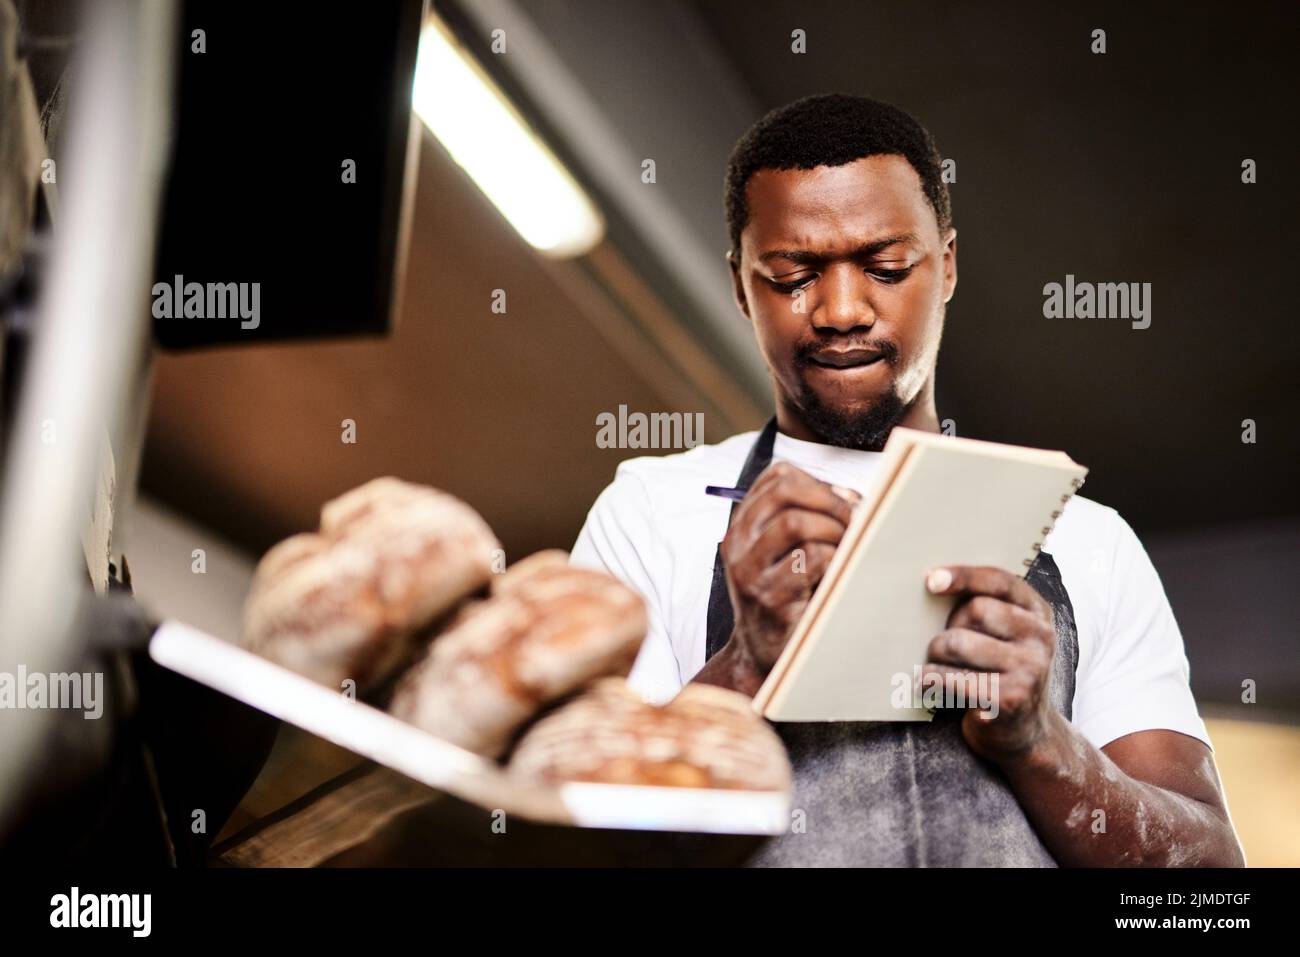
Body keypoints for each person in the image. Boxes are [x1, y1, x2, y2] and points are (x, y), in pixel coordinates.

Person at [571, 94, 1244, 867]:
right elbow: (585, 843)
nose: (841, 309)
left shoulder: (1091, 539)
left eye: (886, 267)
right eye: (793, 274)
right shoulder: (651, 512)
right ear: (739, 285)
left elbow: (1209, 888)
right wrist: (748, 669)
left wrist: (1040, 744)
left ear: (948, 264)